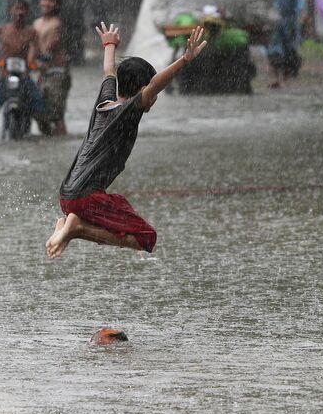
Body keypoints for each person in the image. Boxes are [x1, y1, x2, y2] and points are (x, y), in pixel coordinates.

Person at [45, 22, 207, 259]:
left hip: (67, 197)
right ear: (142, 90)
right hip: (86, 197)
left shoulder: (105, 100)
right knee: (146, 237)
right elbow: (154, 85)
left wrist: (109, 44)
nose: (154, 99)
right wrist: (184, 59)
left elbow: (109, 71)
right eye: (152, 95)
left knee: (119, 206)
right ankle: (75, 228)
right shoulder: (128, 110)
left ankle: (70, 226)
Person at [0, 0, 45, 137]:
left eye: (22, 9)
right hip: (4, 78)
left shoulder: (31, 32)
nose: (19, 13)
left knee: (43, 118)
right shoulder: (1, 30)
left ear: (27, 12)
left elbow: (37, 52)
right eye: (16, 9)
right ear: (9, 11)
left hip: (24, 78)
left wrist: (37, 63)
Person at [33, 0, 70, 136]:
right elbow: (32, 46)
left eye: (51, 1)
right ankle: (50, 142)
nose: (47, 3)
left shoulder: (57, 24)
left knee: (56, 115)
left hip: (57, 73)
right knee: (39, 112)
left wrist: (36, 58)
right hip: (42, 72)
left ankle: (61, 140)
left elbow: (50, 46)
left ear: (57, 4)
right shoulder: (36, 23)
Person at [265, 0, 306, 87]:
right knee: (273, 50)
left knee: (288, 49)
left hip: (289, 21)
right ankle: (274, 77)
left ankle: (283, 77)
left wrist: (302, 13)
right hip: (272, 21)